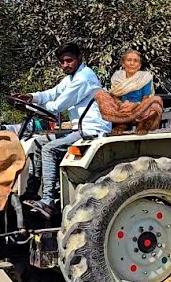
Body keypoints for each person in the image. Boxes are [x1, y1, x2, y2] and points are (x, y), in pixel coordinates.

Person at [15, 43, 112, 216]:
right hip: (78, 128)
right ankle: (30, 193)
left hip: (91, 129)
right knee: (37, 142)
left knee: (49, 149)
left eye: (69, 60)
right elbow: (52, 93)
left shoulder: (84, 78)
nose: (65, 65)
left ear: (79, 59)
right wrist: (31, 97)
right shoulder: (71, 78)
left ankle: (48, 201)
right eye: (62, 62)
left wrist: (31, 107)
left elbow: (58, 105)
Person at [92, 49, 165, 135]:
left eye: (136, 61)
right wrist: (121, 104)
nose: (132, 63)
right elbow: (115, 96)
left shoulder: (145, 77)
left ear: (139, 65)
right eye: (129, 60)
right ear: (123, 63)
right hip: (121, 110)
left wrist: (133, 105)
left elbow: (146, 99)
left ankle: (142, 125)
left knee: (156, 100)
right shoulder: (117, 77)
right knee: (100, 94)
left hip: (139, 109)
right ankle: (122, 124)